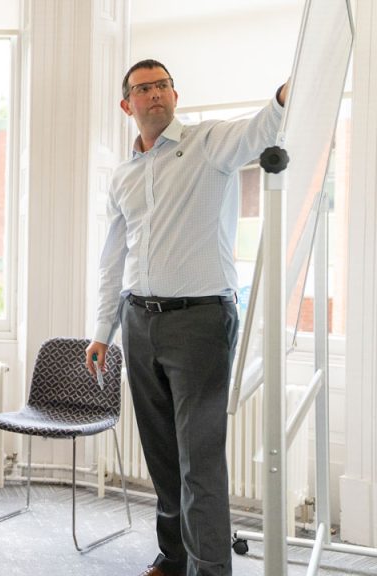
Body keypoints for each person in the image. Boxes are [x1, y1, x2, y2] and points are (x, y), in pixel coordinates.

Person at [85, 60, 289, 576]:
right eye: (142, 88)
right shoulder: (124, 177)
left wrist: (285, 98)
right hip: (137, 322)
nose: (154, 94)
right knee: (162, 456)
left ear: (174, 95)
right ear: (126, 105)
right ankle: (174, 555)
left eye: (162, 86)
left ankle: (210, 569)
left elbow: (259, 130)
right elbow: (114, 260)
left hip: (199, 323)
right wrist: (102, 332)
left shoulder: (207, 144)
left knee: (200, 461)